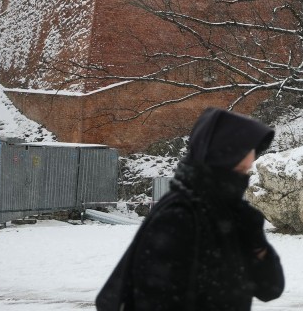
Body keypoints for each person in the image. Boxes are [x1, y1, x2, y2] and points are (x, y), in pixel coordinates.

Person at [96, 108, 285, 310]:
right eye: (238, 171)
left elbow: (269, 289)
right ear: (217, 163)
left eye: (245, 172)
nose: (242, 180)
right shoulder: (177, 217)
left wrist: (259, 246)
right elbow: (156, 302)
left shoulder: (231, 214)